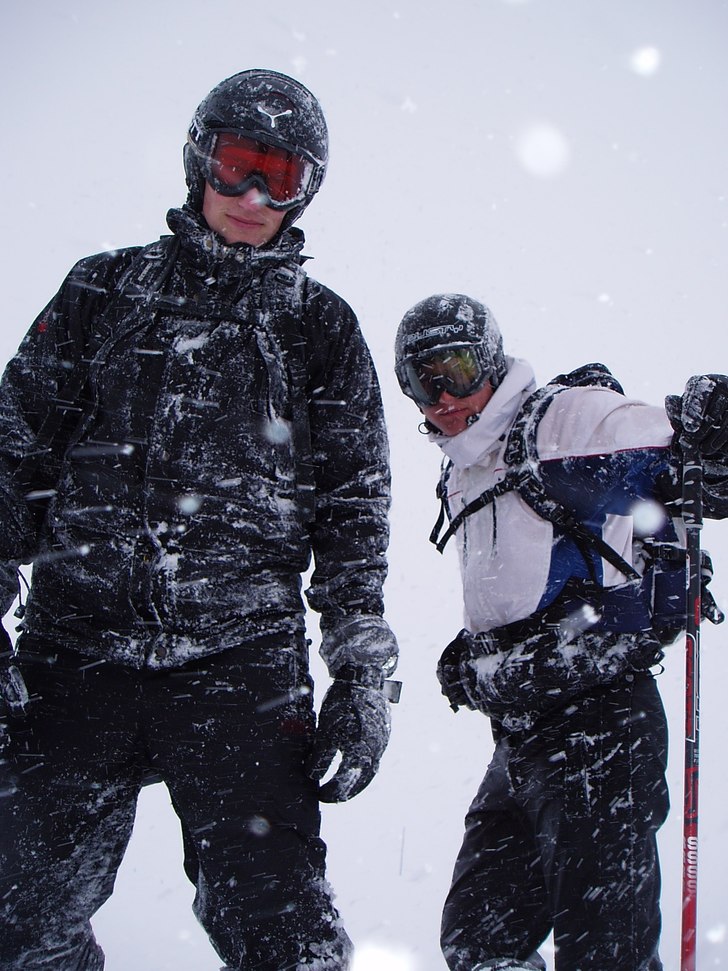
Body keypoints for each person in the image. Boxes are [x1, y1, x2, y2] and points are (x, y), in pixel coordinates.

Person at [0, 69, 398, 971]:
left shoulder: (318, 330)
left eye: (281, 177)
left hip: (240, 662)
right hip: (76, 645)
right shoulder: (104, 292)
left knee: (282, 936)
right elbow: (14, 456)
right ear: (199, 163)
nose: (255, 197)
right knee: (21, 922)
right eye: (237, 166)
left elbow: (354, 515)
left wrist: (361, 668)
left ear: (308, 190)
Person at [394, 293, 728, 971]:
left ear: (489, 358)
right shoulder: (464, 464)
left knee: (603, 953)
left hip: (599, 730)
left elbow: (681, 454)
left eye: (454, 369)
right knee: (478, 942)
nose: (442, 396)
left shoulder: (563, 422)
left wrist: (712, 426)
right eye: (419, 382)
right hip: (520, 737)